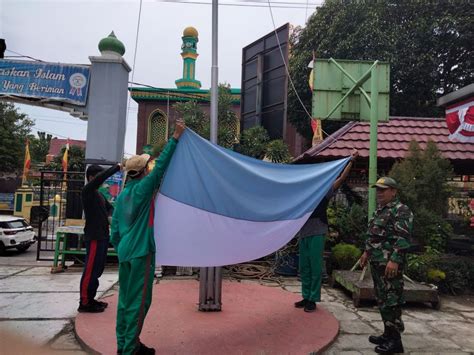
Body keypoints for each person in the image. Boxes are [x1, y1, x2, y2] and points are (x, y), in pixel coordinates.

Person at [110, 120, 186, 355]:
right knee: (139, 303)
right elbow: (162, 165)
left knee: (124, 302)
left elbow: (114, 231)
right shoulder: (143, 190)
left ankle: (124, 344)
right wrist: (175, 136)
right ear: (143, 172)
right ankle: (130, 349)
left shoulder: (122, 197)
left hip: (125, 253)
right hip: (141, 253)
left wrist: (123, 246)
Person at [294, 149, 358, 312]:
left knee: (315, 267)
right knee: (304, 267)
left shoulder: (325, 191)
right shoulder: (301, 194)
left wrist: (350, 161)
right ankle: (305, 296)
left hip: (317, 231)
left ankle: (313, 299)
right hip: (303, 233)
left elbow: (342, 178)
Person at [359, 177, 413, 354]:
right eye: (378, 190)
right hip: (377, 263)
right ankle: (387, 333)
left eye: (383, 189)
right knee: (382, 299)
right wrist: (366, 253)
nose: (379, 193)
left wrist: (395, 260)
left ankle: (396, 342)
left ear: (394, 191)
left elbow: (403, 238)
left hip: (390, 265)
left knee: (392, 300)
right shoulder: (380, 211)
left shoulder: (401, 210)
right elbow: (373, 235)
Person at [78, 163, 121, 313]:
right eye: (99, 177)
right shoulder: (87, 191)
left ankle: (91, 299)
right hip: (94, 236)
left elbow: (110, 208)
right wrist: (117, 167)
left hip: (103, 235)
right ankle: (84, 302)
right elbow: (101, 177)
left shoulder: (99, 194)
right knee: (90, 270)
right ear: (91, 177)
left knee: (98, 269)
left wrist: (113, 217)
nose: (102, 180)